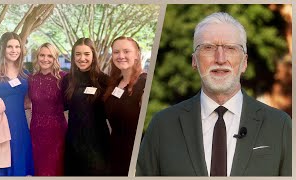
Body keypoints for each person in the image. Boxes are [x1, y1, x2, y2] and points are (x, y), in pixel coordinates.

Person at [136, 12, 291, 176]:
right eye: (208, 48)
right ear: (194, 61)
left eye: (231, 48)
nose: (220, 58)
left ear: (244, 62)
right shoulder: (162, 126)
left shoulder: (279, 126)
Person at [0, 32, 34, 176]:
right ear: (2, 48)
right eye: (10, 46)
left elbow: (27, 102)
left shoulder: (25, 74)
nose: (14, 50)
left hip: (20, 128)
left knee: (20, 167)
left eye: (17, 47)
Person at [61, 38, 110, 175]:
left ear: (93, 55)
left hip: (97, 143)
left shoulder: (104, 80)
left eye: (87, 54)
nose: (82, 58)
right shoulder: (67, 80)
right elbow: (62, 105)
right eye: (78, 54)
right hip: (74, 142)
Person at [104, 36, 147, 176]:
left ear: (136, 55)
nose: (121, 56)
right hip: (113, 153)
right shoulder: (114, 83)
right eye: (116, 52)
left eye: (126, 51)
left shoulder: (145, 83)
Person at [28, 43, 67, 176]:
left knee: (55, 169)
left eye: (50, 56)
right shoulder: (31, 79)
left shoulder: (63, 78)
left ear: (55, 58)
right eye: (42, 55)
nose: (45, 59)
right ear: (37, 57)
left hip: (57, 132)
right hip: (36, 131)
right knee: (39, 168)